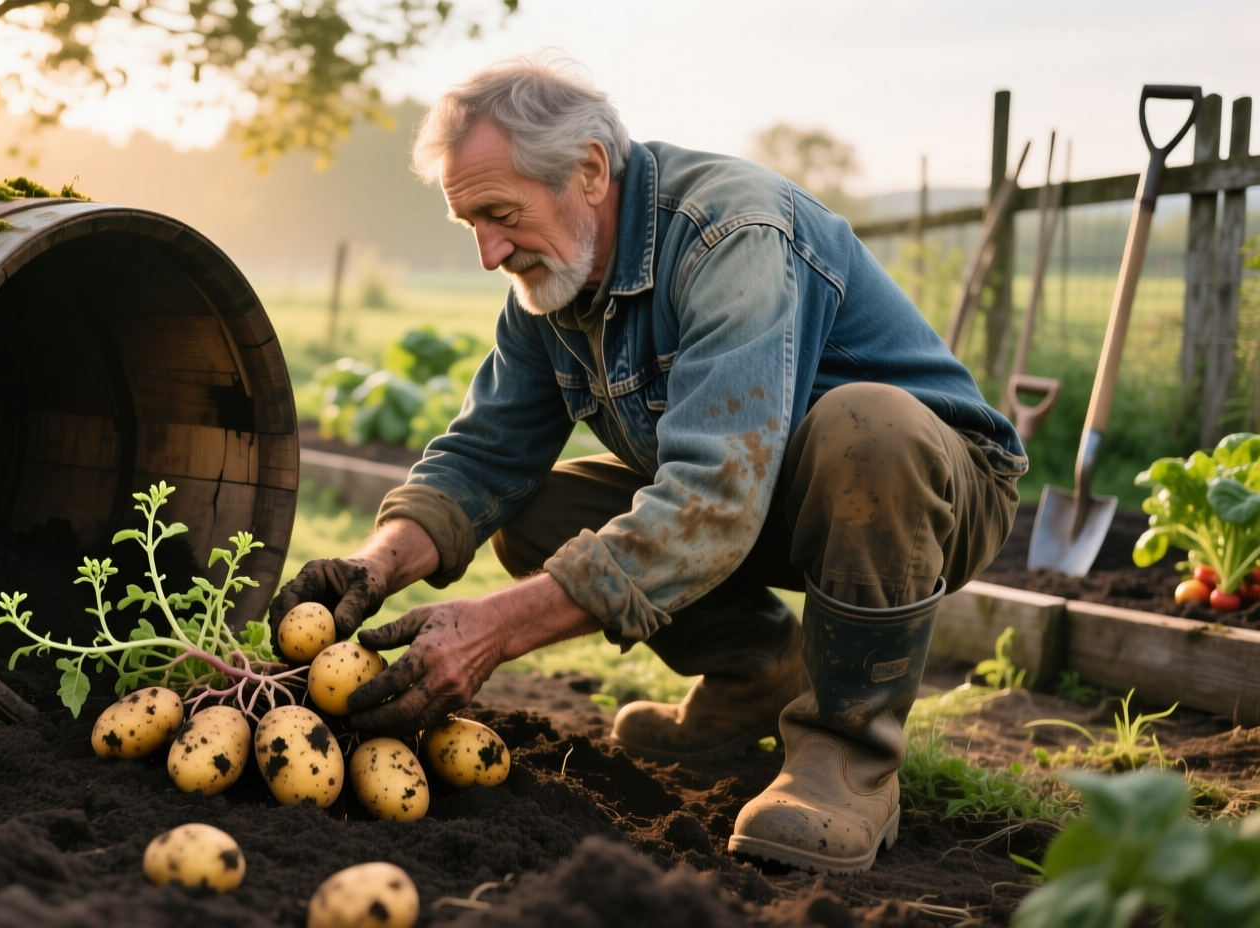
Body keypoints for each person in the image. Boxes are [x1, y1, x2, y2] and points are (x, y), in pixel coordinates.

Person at [268, 56, 1023, 875]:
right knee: (533, 513)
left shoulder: (730, 234)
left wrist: (497, 628)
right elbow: (485, 457)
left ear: (589, 170)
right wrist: (373, 565)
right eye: (470, 225)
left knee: (867, 424)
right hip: (764, 495)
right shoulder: (551, 280)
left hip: (924, 490)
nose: (488, 253)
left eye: (499, 213)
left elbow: (715, 495)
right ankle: (755, 673)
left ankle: (848, 756)